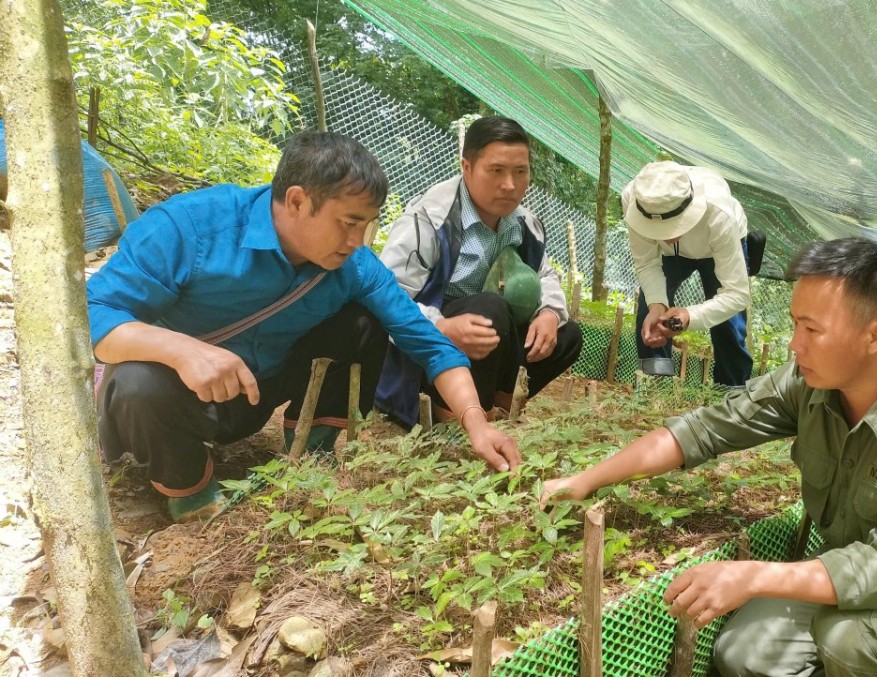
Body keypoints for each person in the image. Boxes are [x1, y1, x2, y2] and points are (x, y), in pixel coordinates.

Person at [542, 237, 877, 676]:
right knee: (743, 655)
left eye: (812, 330)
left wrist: (750, 575)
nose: (795, 345)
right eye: (796, 324)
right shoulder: (809, 380)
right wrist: (587, 479)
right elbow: (707, 430)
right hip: (857, 562)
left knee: (852, 644)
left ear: (875, 336)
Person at [89, 131, 518, 523]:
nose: (358, 240)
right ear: (296, 201)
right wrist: (180, 350)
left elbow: (429, 344)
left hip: (257, 390)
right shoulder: (189, 228)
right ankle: (190, 490)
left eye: (367, 224)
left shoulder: (355, 267)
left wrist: (477, 424)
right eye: (348, 222)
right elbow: (92, 312)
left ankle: (312, 453)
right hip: (172, 396)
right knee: (136, 382)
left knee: (362, 321)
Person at [376, 116, 581, 425]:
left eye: (520, 172)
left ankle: (499, 410)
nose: (510, 185)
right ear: (467, 167)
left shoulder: (525, 225)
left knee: (567, 335)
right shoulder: (429, 220)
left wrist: (550, 314)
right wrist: (442, 327)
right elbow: (386, 300)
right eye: (496, 171)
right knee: (490, 308)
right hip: (429, 356)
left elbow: (544, 275)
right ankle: (450, 415)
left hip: (488, 342)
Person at [623, 161, 753, 386]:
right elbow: (646, 264)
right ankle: (656, 384)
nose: (666, 235)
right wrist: (657, 306)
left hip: (716, 250)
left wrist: (688, 316)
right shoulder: (635, 199)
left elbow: (736, 294)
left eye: (674, 226)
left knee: (728, 326)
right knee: (649, 310)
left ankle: (731, 394)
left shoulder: (719, 213)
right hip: (670, 256)